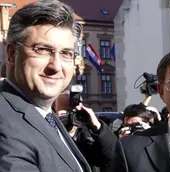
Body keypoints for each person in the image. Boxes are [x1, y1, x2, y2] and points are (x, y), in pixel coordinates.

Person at [0, 1, 91, 172]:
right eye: (42, 50)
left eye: (66, 53)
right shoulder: (5, 123)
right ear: (12, 54)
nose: (56, 66)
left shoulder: (43, 113)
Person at [54, 89, 117, 172]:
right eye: (66, 111)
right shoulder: (48, 131)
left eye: (74, 111)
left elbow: (112, 154)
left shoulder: (89, 135)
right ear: (54, 110)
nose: (70, 115)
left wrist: (97, 127)